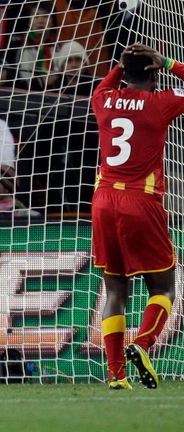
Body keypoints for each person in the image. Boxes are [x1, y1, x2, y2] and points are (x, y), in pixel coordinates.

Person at [90, 42, 181, 390]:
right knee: (164, 287)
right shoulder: (159, 104)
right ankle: (142, 344)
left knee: (115, 289)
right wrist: (168, 62)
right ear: (154, 73)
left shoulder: (103, 99)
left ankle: (116, 374)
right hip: (140, 202)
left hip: (103, 201)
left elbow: (106, 84)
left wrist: (122, 64)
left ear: (123, 74)